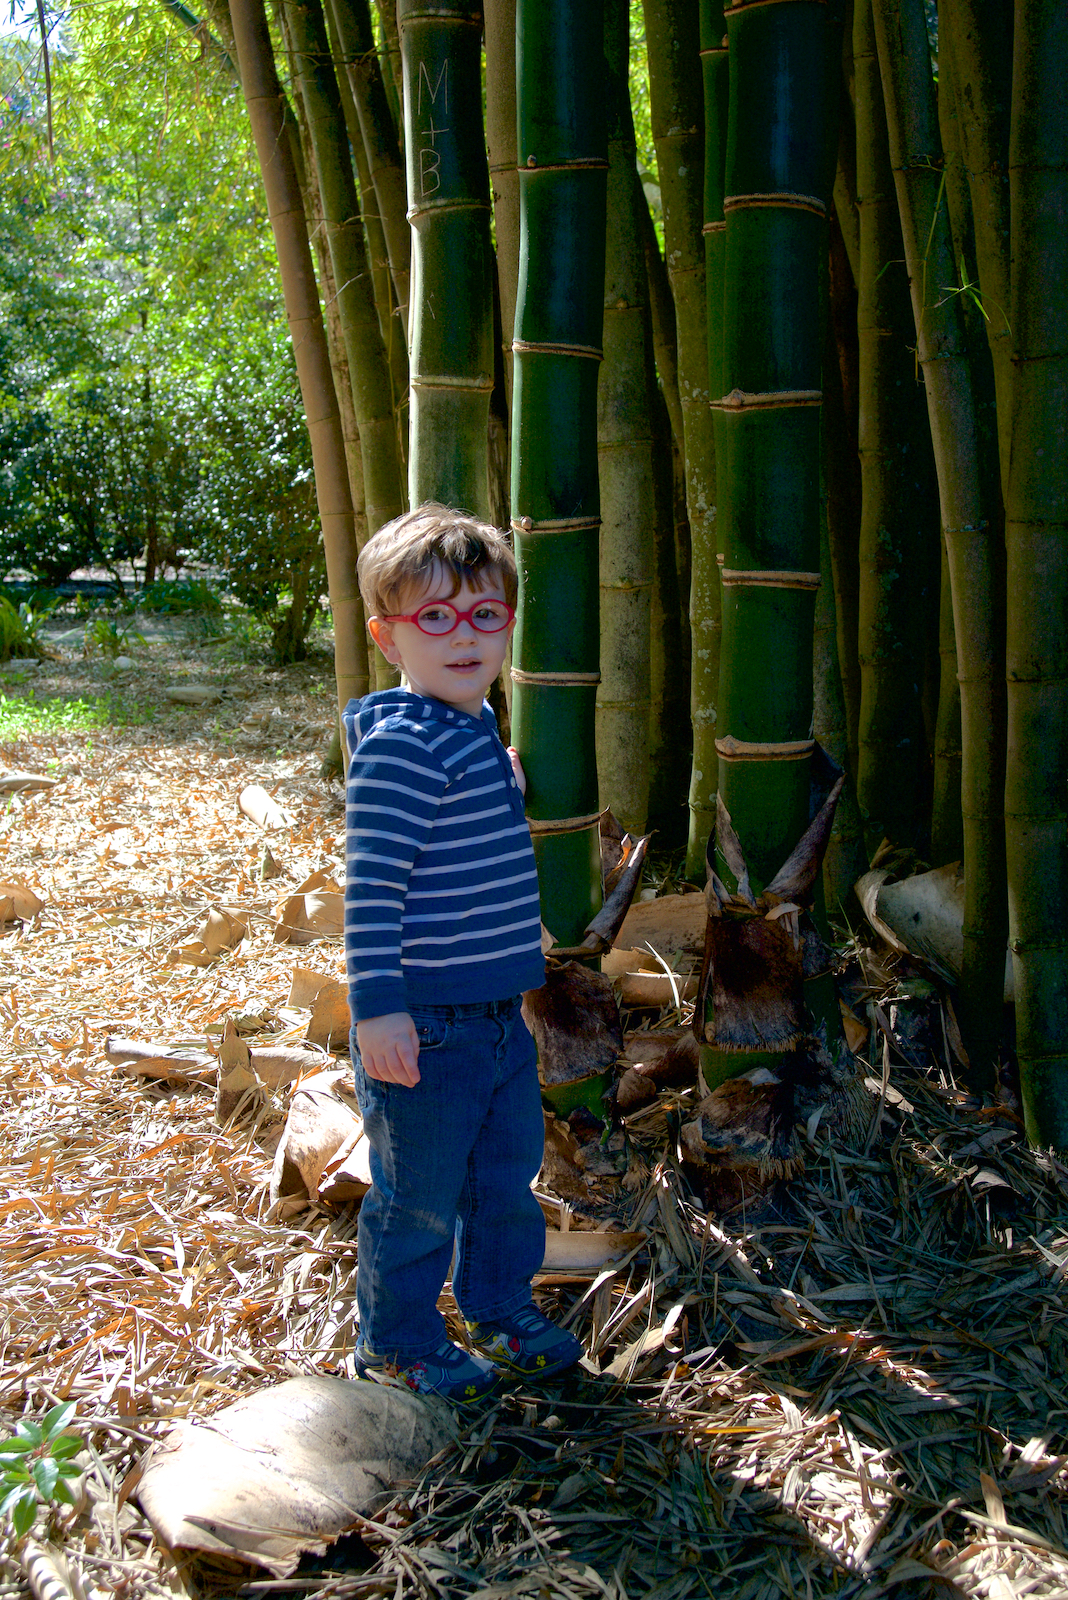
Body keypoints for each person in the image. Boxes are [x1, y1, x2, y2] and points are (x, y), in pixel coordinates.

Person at [343, 503, 583, 1401]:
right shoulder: (404, 747)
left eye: (484, 614)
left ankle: (496, 1306)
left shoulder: (469, 731)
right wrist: (378, 1010)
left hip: (497, 1017)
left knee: (502, 1180)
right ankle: (397, 1343)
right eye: (434, 617)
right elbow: (371, 890)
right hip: (428, 1023)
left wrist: (500, 774)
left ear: (509, 625)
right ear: (387, 636)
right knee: (416, 1198)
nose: (464, 636)